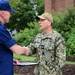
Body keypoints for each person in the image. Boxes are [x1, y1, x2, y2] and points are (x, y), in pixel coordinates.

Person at [0, 1, 29, 75]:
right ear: (2, 13)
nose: (11, 15)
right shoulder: (1, 29)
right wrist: (26, 49)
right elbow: (17, 50)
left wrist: (10, 60)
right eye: (9, 12)